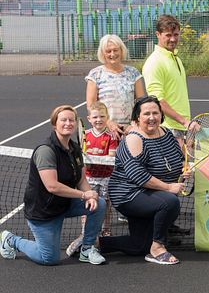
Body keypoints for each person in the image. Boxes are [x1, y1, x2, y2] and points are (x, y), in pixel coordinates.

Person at [1, 106, 106, 266]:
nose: (68, 123)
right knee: (48, 258)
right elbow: (52, 186)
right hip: (45, 211)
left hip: (64, 204)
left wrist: (89, 193)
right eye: (63, 120)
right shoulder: (46, 151)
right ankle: (11, 239)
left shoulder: (75, 149)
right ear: (54, 124)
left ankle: (87, 248)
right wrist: (84, 195)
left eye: (72, 120)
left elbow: (81, 179)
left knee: (99, 204)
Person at [100, 96, 185, 265]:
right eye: (146, 114)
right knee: (170, 203)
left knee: (138, 246)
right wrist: (168, 187)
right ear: (137, 117)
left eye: (155, 113)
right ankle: (157, 248)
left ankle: (93, 243)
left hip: (151, 193)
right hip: (128, 194)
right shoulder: (134, 139)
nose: (152, 117)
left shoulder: (166, 133)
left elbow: (178, 159)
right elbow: (137, 175)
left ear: (161, 115)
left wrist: (183, 171)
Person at [67, 102, 118, 255]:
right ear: (89, 118)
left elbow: (111, 157)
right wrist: (86, 163)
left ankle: (106, 230)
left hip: (106, 178)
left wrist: (91, 159)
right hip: (89, 179)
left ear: (107, 117)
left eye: (102, 116)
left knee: (106, 205)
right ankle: (85, 231)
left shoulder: (111, 136)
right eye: (95, 117)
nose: (99, 120)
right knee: (88, 205)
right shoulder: (85, 135)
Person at [85, 34, 146, 139]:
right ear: (103, 54)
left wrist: (134, 125)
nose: (112, 54)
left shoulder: (133, 73)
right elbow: (91, 105)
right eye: (108, 51)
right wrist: (108, 123)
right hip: (106, 131)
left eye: (115, 50)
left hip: (130, 130)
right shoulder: (95, 74)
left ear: (121, 51)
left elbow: (141, 103)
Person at [142, 15, 190, 141]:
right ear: (158, 34)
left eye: (176, 34)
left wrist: (185, 123)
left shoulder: (176, 58)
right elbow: (158, 101)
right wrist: (184, 121)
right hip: (168, 130)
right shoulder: (154, 63)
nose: (173, 39)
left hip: (183, 127)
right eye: (168, 35)